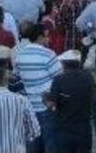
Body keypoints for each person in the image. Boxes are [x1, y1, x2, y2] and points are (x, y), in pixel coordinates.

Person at [12, 22, 63, 153]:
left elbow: (17, 78)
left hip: (28, 105)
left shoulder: (20, 55)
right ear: (40, 37)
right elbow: (59, 79)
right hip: (46, 105)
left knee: (32, 143)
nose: (49, 39)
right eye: (47, 36)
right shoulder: (48, 54)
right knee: (50, 142)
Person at [47, 49, 95, 153]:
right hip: (84, 130)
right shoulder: (89, 78)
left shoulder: (58, 80)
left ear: (64, 64)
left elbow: (52, 105)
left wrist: (45, 99)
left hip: (63, 130)